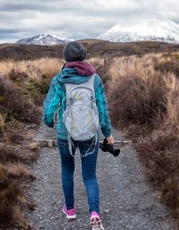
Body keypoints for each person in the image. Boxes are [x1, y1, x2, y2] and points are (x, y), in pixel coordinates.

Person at [42, 41, 114, 230]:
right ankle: (94, 212)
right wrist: (107, 133)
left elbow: (50, 107)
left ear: (66, 58)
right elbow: (102, 109)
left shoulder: (59, 79)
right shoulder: (95, 78)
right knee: (90, 176)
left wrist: (49, 122)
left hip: (66, 134)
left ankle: (70, 210)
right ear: (83, 56)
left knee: (67, 169)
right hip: (90, 134)